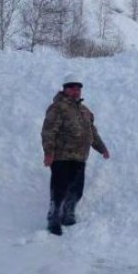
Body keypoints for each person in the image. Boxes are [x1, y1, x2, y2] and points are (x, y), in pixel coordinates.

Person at [41, 76, 110, 235]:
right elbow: (48, 132)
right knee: (60, 188)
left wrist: (102, 148)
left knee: (77, 189)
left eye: (78, 88)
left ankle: (68, 213)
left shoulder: (85, 111)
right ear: (64, 89)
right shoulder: (57, 108)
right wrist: (49, 153)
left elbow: (92, 132)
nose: (75, 91)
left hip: (80, 157)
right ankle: (54, 218)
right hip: (61, 157)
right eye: (71, 88)